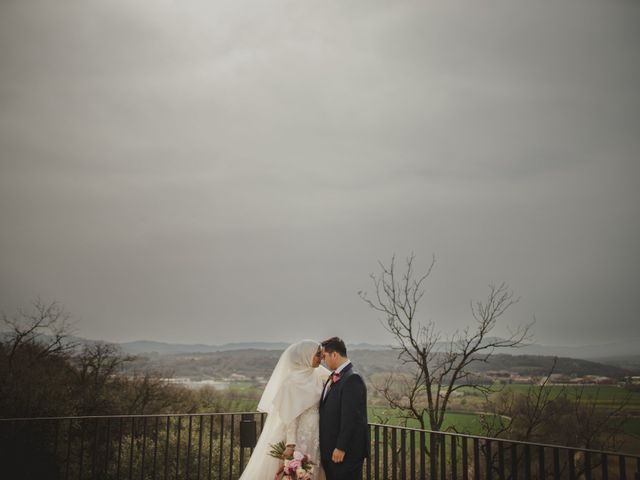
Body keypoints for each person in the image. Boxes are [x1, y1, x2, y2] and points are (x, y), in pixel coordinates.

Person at [239, 340, 329, 480]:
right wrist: (291, 444)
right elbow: (290, 416)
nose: (321, 358)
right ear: (305, 356)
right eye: (317, 355)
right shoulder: (292, 381)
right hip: (300, 436)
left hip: (315, 434)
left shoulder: (317, 374)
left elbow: (334, 378)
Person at [319, 337, 369, 480]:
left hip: (345, 455)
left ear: (334, 354)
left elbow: (350, 418)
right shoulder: (334, 376)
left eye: (325, 356)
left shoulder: (352, 378)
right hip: (332, 453)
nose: (323, 360)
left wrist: (341, 447)